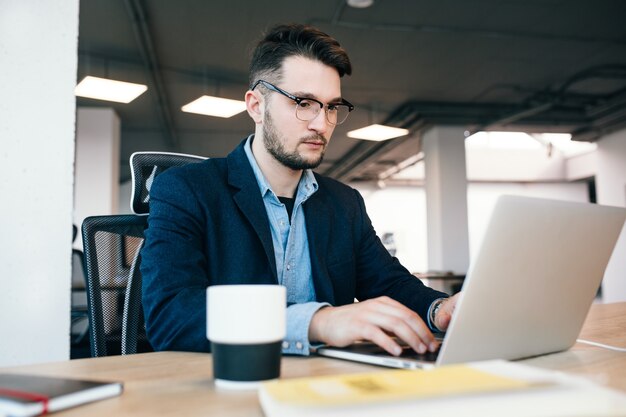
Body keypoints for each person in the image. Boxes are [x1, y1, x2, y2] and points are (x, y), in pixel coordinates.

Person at [141, 23, 459, 357]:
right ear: (256, 105)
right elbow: (171, 317)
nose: (321, 124)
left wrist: (440, 309)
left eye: (331, 107)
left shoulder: (344, 203)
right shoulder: (187, 189)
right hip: (230, 388)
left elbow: (388, 282)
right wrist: (317, 322)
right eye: (304, 102)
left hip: (325, 388)